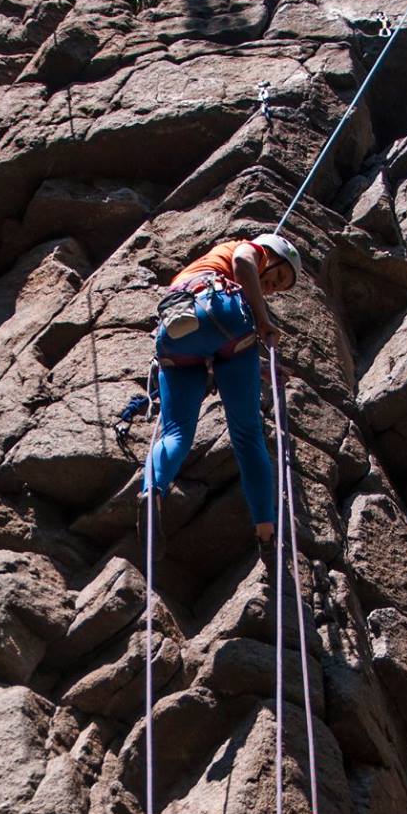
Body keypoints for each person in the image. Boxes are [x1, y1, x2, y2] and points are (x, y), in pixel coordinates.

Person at [144, 232, 302, 565]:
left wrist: (257, 366)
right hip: (226, 316)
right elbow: (244, 263)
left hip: (177, 331)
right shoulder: (248, 249)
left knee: (175, 435)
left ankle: (152, 490)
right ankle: (266, 531)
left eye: (278, 287)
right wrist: (263, 322)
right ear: (270, 254)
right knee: (247, 436)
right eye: (277, 275)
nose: (272, 285)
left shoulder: (197, 268)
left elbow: (211, 340)